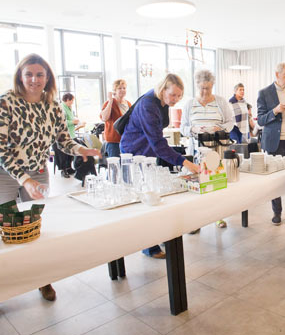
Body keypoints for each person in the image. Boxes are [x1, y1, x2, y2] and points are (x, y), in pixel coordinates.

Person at [0, 53, 100, 321]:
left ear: (48, 78)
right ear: (20, 76)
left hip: (36, 171)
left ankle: (42, 279)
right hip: (2, 172)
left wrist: (81, 149)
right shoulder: (5, 102)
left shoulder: (53, 106)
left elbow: (62, 140)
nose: (34, 79)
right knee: (4, 231)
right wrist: (24, 179)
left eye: (40, 74)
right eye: (29, 74)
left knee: (35, 228)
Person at [121, 73, 200, 257]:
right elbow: (158, 143)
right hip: (135, 153)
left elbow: (156, 140)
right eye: (173, 95)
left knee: (154, 193)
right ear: (163, 89)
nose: (175, 100)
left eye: (179, 96)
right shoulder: (149, 105)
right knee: (146, 198)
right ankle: (149, 246)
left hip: (147, 151)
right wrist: (185, 162)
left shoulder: (160, 102)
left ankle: (158, 236)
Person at [180, 69, 234, 230]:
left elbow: (230, 122)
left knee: (216, 183)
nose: (205, 91)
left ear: (213, 86)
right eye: (202, 88)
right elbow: (182, 127)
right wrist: (193, 129)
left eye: (208, 88)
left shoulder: (221, 101)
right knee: (196, 185)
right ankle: (196, 222)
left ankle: (219, 216)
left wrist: (220, 127)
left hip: (215, 149)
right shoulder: (190, 104)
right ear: (197, 85)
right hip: (196, 150)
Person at [257, 63, 285, 225]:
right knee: (275, 178)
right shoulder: (264, 93)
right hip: (273, 143)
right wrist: (275, 111)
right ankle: (277, 212)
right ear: (277, 75)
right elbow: (261, 120)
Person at [100, 79, 131, 158]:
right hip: (113, 142)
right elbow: (104, 118)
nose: (122, 90)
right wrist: (110, 101)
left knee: (127, 166)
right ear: (115, 91)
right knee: (115, 166)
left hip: (127, 140)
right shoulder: (110, 103)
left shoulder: (128, 104)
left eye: (124, 88)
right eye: (119, 88)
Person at [53, 93, 81, 178]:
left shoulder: (69, 108)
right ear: (67, 100)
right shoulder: (61, 108)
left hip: (70, 134)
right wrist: (73, 122)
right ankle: (63, 169)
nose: (72, 102)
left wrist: (75, 121)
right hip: (62, 136)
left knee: (70, 153)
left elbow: (70, 118)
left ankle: (69, 167)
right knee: (63, 154)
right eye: (72, 100)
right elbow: (62, 121)